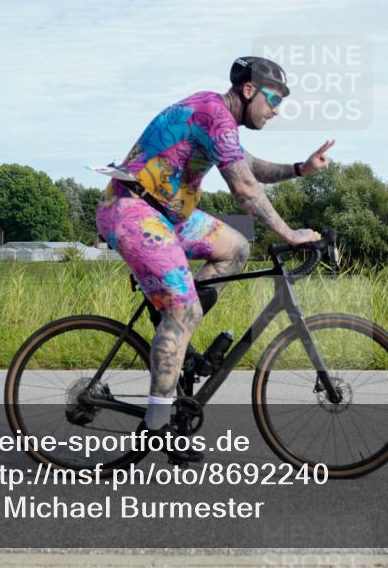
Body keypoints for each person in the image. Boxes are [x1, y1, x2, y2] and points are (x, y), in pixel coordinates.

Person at [94, 56, 335, 462]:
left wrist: (299, 168)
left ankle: (179, 341)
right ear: (248, 90)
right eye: (273, 99)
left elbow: (250, 166)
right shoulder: (212, 114)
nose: (276, 109)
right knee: (184, 312)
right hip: (133, 212)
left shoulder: (218, 116)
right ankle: (156, 428)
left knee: (236, 248)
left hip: (168, 213)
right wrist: (290, 234)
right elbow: (244, 188)